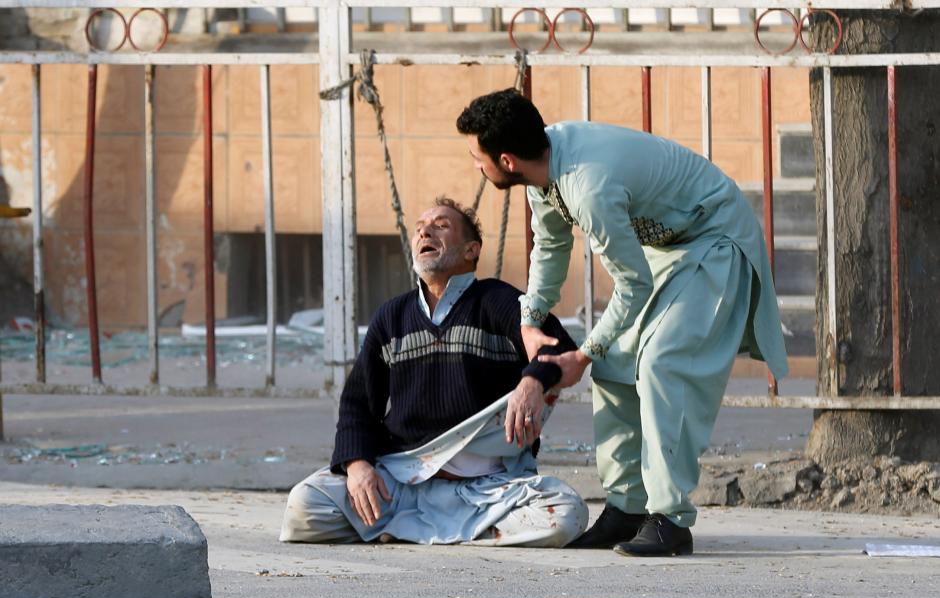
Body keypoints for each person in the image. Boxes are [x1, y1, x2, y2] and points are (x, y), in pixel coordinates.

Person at [456, 90, 788, 556]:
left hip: (714, 238)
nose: (476, 166)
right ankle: (627, 508)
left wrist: (582, 353)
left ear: (506, 160)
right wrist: (529, 321)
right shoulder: (543, 170)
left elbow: (632, 285)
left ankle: (670, 519)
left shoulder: (589, 185)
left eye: (477, 157)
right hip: (669, 250)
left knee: (661, 363)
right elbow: (550, 248)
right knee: (615, 364)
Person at [280, 197, 588, 547]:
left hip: (488, 489)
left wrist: (533, 380)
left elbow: (558, 346)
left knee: (565, 513)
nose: (424, 231)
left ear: (471, 250)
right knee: (304, 506)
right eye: (419, 228)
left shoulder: (498, 301)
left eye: (441, 225)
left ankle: (403, 530)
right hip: (400, 482)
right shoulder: (390, 317)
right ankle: (469, 532)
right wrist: (357, 466)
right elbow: (357, 405)